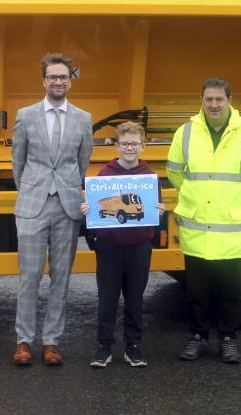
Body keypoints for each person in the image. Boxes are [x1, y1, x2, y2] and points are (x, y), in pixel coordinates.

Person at [166, 78, 241, 364]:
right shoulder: (185, 133)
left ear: (229, 100)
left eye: (218, 99)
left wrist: (238, 199)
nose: (213, 104)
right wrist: (196, 195)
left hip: (232, 229)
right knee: (197, 292)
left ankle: (228, 339)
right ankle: (197, 337)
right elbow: (175, 173)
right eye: (208, 99)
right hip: (198, 226)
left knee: (232, 292)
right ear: (200, 100)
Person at [11, 53, 94, 366]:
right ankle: (23, 341)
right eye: (52, 77)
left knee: (61, 277)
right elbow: (18, 163)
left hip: (68, 207)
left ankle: (52, 342)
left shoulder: (83, 119)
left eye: (63, 77)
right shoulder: (26, 115)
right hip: (33, 205)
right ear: (43, 80)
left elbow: (82, 161)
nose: (58, 81)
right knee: (29, 276)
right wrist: (33, 189)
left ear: (70, 80)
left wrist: (67, 188)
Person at [80, 121, 164, 368]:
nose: (130, 148)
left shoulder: (149, 177)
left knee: (135, 298)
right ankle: (103, 346)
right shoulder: (104, 175)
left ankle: (133, 346)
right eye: (125, 143)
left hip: (139, 246)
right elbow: (95, 209)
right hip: (110, 246)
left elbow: (154, 210)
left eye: (135, 144)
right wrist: (87, 210)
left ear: (143, 146)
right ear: (116, 146)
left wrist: (159, 212)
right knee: (107, 297)